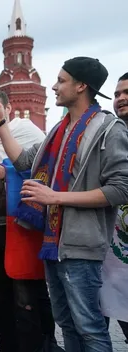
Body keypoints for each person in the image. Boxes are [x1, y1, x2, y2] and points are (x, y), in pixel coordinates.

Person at [0, 56, 128, 351]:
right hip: (53, 243)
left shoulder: (109, 130)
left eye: (61, 81)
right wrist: (0, 124)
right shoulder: (57, 133)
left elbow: (121, 189)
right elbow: (24, 160)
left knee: (89, 328)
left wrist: (56, 197)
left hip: (82, 245)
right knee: (68, 324)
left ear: (81, 85)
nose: (53, 87)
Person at [0, 89, 61, 352]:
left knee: (28, 291)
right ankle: (10, 344)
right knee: (1, 295)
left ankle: (44, 343)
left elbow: (45, 167)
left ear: (9, 107)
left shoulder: (26, 130)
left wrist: (5, 171)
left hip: (21, 226)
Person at [101, 72, 128, 344]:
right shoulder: (110, 132)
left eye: (127, 93)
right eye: (118, 94)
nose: (120, 99)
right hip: (114, 254)